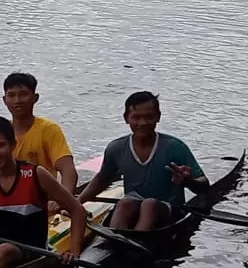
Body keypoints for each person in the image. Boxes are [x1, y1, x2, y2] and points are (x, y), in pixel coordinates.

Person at [0, 116, 86, 268]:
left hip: (30, 247)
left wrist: (74, 252)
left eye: (0, 145)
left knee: (4, 250)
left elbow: (77, 211)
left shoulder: (36, 174)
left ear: (13, 145)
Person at [78, 91, 208, 231]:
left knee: (149, 204)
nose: (142, 123)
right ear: (126, 118)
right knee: (125, 203)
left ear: (158, 117)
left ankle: (138, 239)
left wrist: (187, 181)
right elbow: (103, 178)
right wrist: (76, 203)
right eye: (136, 117)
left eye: (149, 117)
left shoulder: (175, 147)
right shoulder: (116, 148)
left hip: (168, 209)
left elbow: (205, 185)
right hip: (132, 205)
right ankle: (116, 236)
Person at [0, 72, 78, 215]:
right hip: (5, 204)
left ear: (35, 98)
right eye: (11, 95)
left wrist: (64, 200)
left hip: (41, 205)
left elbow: (68, 170)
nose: (17, 100)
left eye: (23, 94)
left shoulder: (48, 130)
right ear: (4, 100)